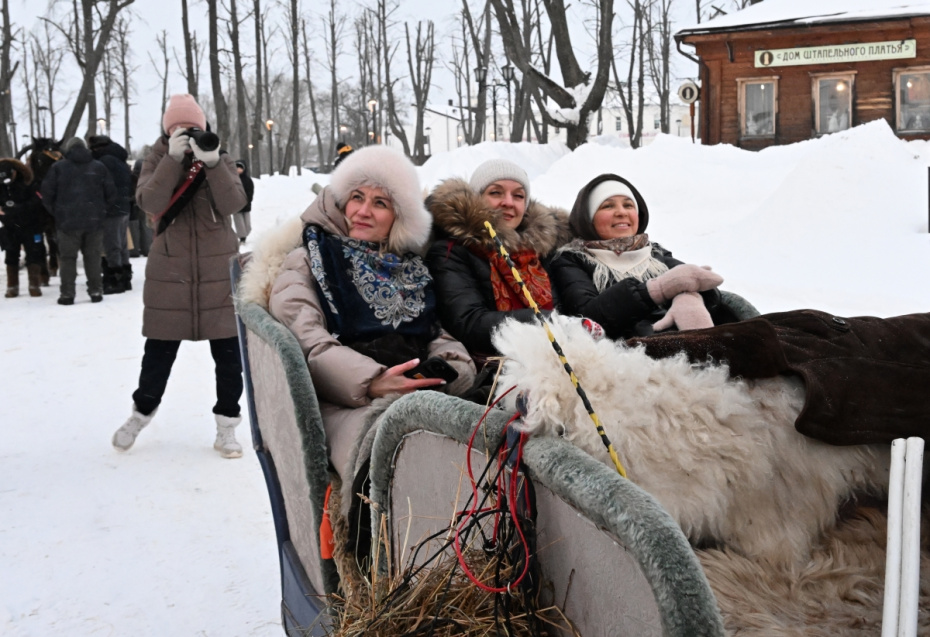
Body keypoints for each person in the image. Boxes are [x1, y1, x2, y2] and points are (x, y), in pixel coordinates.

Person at [249, 145, 475, 502]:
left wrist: (451, 370)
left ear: (398, 217)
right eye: (357, 197)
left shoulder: (408, 269)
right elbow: (308, 340)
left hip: (414, 391)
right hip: (345, 402)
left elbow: (435, 332)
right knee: (395, 455)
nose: (363, 211)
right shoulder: (308, 259)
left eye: (380, 203)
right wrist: (372, 381)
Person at [111, 93, 248, 458]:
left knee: (229, 358)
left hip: (218, 272)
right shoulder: (155, 158)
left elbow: (235, 204)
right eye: (178, 129)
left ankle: (227, 427)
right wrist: (172, 160)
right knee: (157, 353)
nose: (187, 135)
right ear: (167, 132)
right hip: (170, 271)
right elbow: (149, 202)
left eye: (192, 128)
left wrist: (213, 163)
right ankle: (140, 413)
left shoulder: (219, 155)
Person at [549, 173, 737, 340]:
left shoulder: (655, 254)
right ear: (588, 218)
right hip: (624, 354)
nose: (621, 212)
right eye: (608, 206)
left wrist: (688, 298)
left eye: (628, 205)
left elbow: (706, 288)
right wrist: (654, 291)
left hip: (680, 342)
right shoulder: (572, 260)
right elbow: (586, 317)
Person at [424, 158, 570, 361]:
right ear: (476, 199)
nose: (508, 202)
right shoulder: (452, 251)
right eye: (496, 193)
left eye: (518, 196)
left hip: (555, 357)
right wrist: (546, 321)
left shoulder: (540, 252)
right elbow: (469, 323)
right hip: (490, 366)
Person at [41, 137, 115, 305]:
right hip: (94, 221)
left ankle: (67, 294)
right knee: (93, 257)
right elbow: (110, 193)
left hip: (67, 221)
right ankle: (96, 290)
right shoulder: (98, 167)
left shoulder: (58, 168)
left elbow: (47, 194)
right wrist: (101, 211)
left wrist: (57, 212)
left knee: (68, 258)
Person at [88, 135, 133, 294]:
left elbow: (101, 186)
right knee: (122, 244)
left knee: (112, 245)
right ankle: (126, 278)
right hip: (124, 206)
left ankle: (115, 279)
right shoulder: (119, 159)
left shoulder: (104, 161)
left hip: (111, 209)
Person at [0, 158, 47, 298]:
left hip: (31, 224)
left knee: (34, 254)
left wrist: (17, 208)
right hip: (10, 226)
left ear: (14, 172)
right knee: (11, 255)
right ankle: (12, 286)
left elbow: (37, 201)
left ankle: (34, 285)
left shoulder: (30, 182)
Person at [232, 159, 254, 244]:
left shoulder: (247, 180)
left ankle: (245, 234)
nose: (238, 170)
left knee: (247, 225)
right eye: (237, 168)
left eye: (240, 168)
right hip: (236, 205)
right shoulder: (233, 179)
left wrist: (248, 200)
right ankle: (242, 238)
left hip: (246, 205)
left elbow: (250, 191)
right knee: (239, 223)